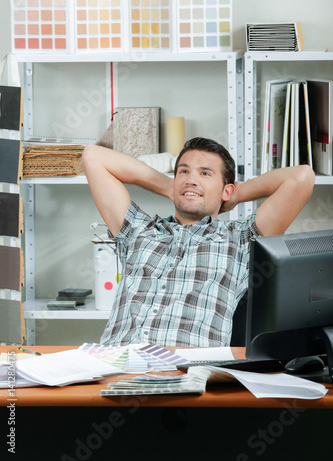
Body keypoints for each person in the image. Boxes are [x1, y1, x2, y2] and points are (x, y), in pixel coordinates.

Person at [82, 137, 315, 347]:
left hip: (187, 374)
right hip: (115, 366)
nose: (191, 180)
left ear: (227, 190)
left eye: (205, 174)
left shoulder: (239, 239)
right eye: (183, 172)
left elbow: (301, 177)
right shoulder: (139, 230)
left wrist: (235, 194)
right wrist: (168, 186)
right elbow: (93, 156)